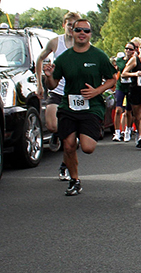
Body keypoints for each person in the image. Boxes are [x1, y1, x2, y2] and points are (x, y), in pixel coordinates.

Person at [41, 19, 116, 196]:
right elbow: (52, 85)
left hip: (92, 107)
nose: (82, 33)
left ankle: (80, 142)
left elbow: (112, 79)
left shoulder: (98, 56)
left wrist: (97, 91)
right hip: (68, 106)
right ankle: (74, 180)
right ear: (72, 33)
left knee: (88, 147)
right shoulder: (64, 58)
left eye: (86, 31)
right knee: (68, 146)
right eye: (78, 30)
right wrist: (48, 76)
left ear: (91, 34)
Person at [35, 11, 80, 180]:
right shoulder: (55, 42)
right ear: (64, 25)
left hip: (74, 94)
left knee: (71, 139)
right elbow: (40, 59)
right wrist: (40, 83)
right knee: (53, 126)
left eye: (75, 26)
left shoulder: (81, 44)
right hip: (56, 90)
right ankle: (55, 135)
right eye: (69, 25)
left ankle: (65, 165)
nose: (72, 28)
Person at [112, 43, 135, 141]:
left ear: (134, 50)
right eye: (126, 49)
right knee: (118, 110)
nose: (128, 51)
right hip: (120, 86)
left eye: (130, 49)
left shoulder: (135, 61)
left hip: (131, 86)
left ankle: (127, 130)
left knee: (128, 111)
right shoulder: (120, 61)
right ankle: (117, 132)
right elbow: (115, 70)